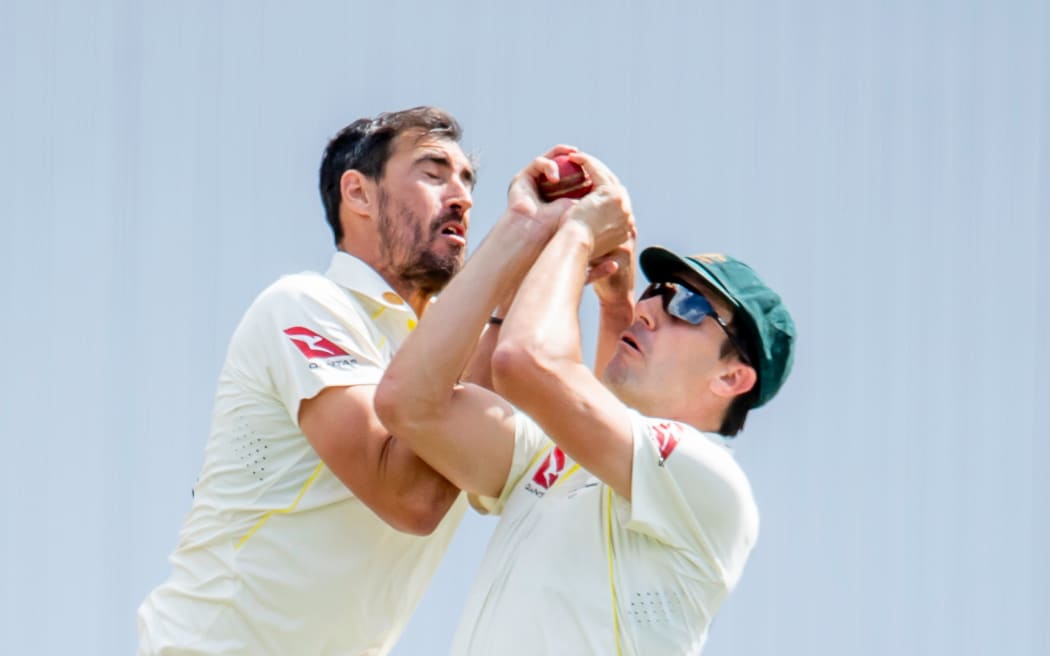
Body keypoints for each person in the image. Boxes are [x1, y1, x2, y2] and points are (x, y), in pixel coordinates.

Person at [375, 149, 796, 654]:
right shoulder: (557, 460)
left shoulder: (708, 478)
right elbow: (411, 401)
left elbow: (529, 364)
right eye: (654, 291)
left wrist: (575, 232)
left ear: (733, 377)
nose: (651, 309)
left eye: (687, 306)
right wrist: (525, 235)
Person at [138, 106, 479, 655]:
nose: (460, 195)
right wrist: (512, 257)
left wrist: (599, 294)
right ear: (358, 194)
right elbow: (409, 496)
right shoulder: (305, 304)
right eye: (434, 172)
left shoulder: (458, 345)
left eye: (467, 180)